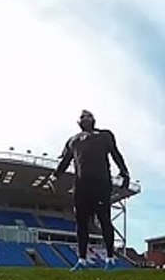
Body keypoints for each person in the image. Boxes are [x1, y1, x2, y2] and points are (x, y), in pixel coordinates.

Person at [51, 110, 130, 270]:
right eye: (82, 117)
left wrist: (124, 172)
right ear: (78, 122)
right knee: (81, 222)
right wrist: (55, 176)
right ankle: (82, 260)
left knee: (104, 219)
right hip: (81, 184)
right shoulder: (73, 141)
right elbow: (65, 161)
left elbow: (115, 154)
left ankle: (110, 258)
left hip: (101, 183)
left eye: (88, 116)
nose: (85, 118)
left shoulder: (105, 135)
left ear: (94, 119)